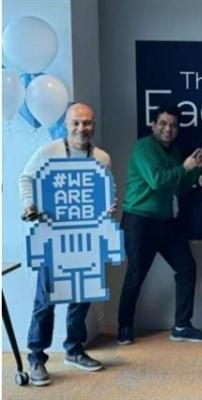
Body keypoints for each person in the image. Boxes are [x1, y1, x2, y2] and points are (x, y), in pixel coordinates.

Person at [19, 102, 109, 386]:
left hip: (86, 237)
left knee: (82, 296)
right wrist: (29, 204)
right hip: (53, 236)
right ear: (66, 125)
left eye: (87, 123)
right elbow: (26, 178)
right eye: (76, 123)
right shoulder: (49, 151)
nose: (82, 128)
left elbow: (106, 190)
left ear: (94, 125)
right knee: (45, 301)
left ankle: (74, 349)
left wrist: (108, 207)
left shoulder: (102, 158)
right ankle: (36, 357)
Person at [117, 105, 202, 345]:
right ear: (153, 125)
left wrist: (196, 168)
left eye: (173, 125)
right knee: (136, 275)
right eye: (163, 124)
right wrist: (185, 167)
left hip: (167, 221)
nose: (168, 129)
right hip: (139, 220)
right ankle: (124, 326)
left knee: (187, 267)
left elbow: (180, 184)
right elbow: (157, 181)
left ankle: (182, 326)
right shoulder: (143, 147)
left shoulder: (174, 151)